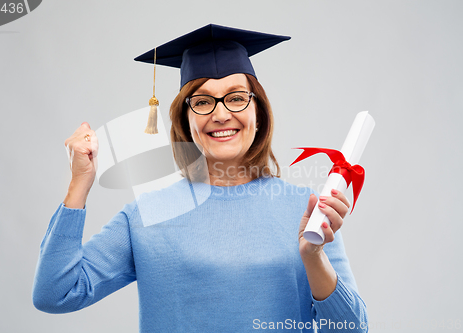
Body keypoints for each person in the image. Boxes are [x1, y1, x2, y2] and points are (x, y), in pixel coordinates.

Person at [33, 24, 368, 332]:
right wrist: (80, 183)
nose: (221, 114)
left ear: (258, 112)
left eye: (237, 97)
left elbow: (352, 328)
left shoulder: (306, 211)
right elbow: (55, 293)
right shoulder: (147, 214)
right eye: (203, 101)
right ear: (185, 117)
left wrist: (313, 257)